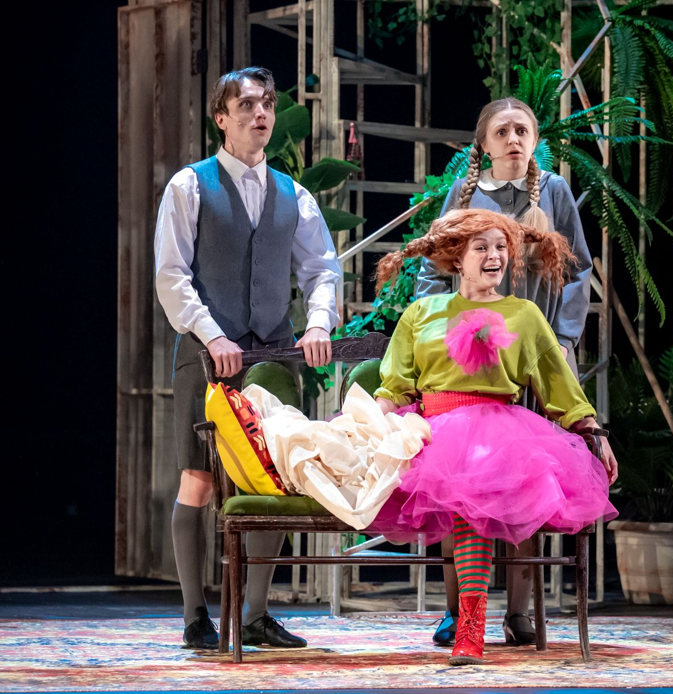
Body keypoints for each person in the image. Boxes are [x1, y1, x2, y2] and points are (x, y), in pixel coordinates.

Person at [369, 208, 617, 666]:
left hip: (498, 433)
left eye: (501, 247)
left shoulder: (524, 314)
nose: (495, 256)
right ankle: (466, 621)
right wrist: (366, 425)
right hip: (434, 431)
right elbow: (395, 385)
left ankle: (471, 626)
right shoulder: (422, 312)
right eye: (481, 247)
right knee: (455, 487)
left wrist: (593, 432)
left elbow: (559, 385)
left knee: (475, 489)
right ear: (455, 257)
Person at [153, 67, 341, 650]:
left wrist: (317, 322)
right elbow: (171, 275)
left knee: (275, 477)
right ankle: (195, 616)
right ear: (222, 117)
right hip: (208, 353)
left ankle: (255, 614)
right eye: (247, 105)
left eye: (267, 105)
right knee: (198, 477)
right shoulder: (190, 186)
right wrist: (212, 335)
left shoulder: (294, 194)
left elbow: (322, 269)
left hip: (273, 355)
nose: (261, 114)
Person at [416, 97, 593, 648]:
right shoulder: (466, 193)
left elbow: (578, 269)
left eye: (522, 131)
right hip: (469, 365)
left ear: (534, 140)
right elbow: (431, 269)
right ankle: (456, 611)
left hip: (532, 356)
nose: (513, 139)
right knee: (459, 493)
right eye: (502, 131)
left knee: (523, 489)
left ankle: (519, 612)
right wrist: (433, 332)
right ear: (484, 144)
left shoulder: (554, 192)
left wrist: (563, 339)